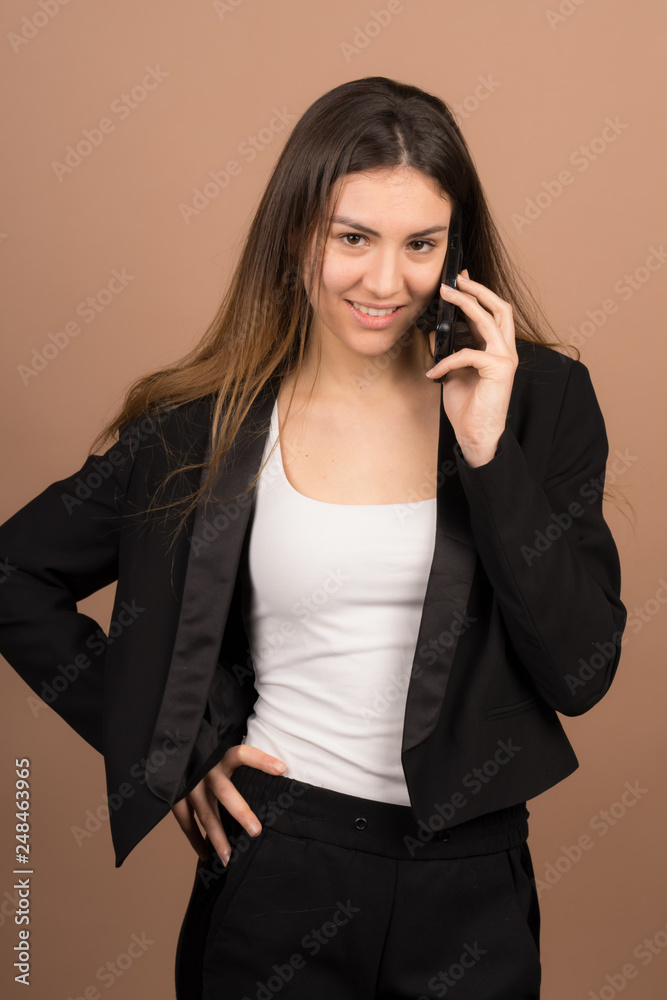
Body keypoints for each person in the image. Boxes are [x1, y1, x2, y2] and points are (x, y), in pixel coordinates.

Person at [0, 77, 627, 999]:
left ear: (456, 250)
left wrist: (488, 453)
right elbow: (16, 573)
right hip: (278, 865)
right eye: (352, 238)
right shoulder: (201, 427)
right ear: (297, 234)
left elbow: (582, 673)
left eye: (420, 244)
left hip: (470, 888)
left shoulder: (539, 401)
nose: (385, 282)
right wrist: (173, 754)